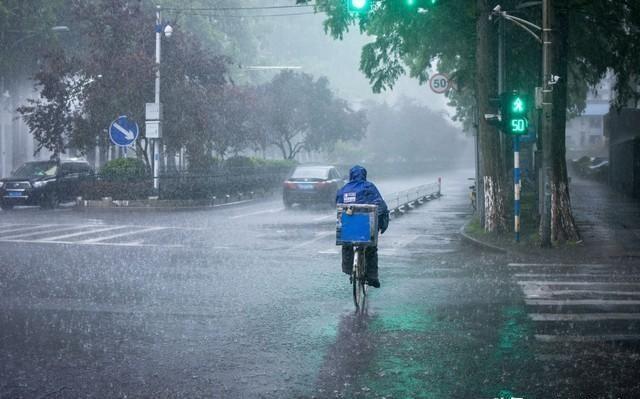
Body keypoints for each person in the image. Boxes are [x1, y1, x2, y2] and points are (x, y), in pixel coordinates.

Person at [336, 165, 389, 288]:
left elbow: (338, 204)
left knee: (347, 245)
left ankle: (349, 269)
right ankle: (372, 277)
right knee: (371, 249)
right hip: (365, 228)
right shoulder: (369, 187)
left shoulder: (344, 189)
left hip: (348, 229)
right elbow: (381, 206)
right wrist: (381, 224)